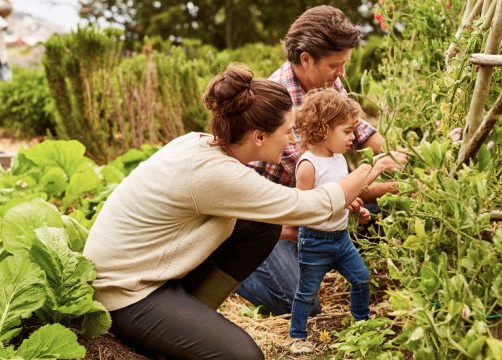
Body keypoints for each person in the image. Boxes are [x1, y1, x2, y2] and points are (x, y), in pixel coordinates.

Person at [83, 64, 406, 359]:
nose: (292, 140)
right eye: (287, 131)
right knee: (244, 356)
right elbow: (310, 207)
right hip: (125, 293)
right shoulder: (216, 174)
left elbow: (288, 210)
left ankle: (192, 312)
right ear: (259, 136)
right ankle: (174, 330)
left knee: (260, 226)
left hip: (152, 270)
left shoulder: (201, 144)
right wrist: (371, 169)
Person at [236, 5, 397, 316]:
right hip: (269, 223)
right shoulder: (280, 106)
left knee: (376, 215)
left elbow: (365, 133)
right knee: (304, 304)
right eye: (336, 65)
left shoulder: (324, 83)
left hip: (309, 212)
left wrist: (396, 155)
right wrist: (393, 185)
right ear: (306, 59)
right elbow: (331, 190)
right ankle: (235, 268)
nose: (342, 74)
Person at [288, 89, 376, 354]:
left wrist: (353, 206)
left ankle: (361, 323)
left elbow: (341, 194)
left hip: (341, 239)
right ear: (325, 130)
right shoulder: (308, 165)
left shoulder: (339, 160)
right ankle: (296, 336)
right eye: (347, 131)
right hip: (315, 241)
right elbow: (306, 208)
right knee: (307, 293)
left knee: (361, 279)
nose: (353, 138)